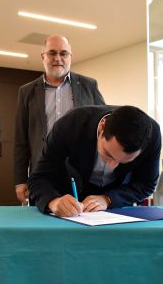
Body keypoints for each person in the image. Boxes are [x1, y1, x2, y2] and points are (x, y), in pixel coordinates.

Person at [14, 35, 105, 205]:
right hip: (43, 173)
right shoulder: (26, 92)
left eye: (63, 53)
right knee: (42, 218)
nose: (58, 58)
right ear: (43, 57)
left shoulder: (89, 86)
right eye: (52, 53)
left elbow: (104, 128)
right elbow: (21, 139)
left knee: (82, 218)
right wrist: (20, 180)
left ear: (70, 56)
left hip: (82, 174)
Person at [28, 105, 161, 216]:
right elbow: (39, 178)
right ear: (102, 127)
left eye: (123, 161)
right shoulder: (70, 125)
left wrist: (108, 199)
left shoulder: (152, 136)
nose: (112, 166)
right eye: (108, 154)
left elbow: (147, 184)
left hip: (116, 209)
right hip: (69, 202)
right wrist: (54, 201)